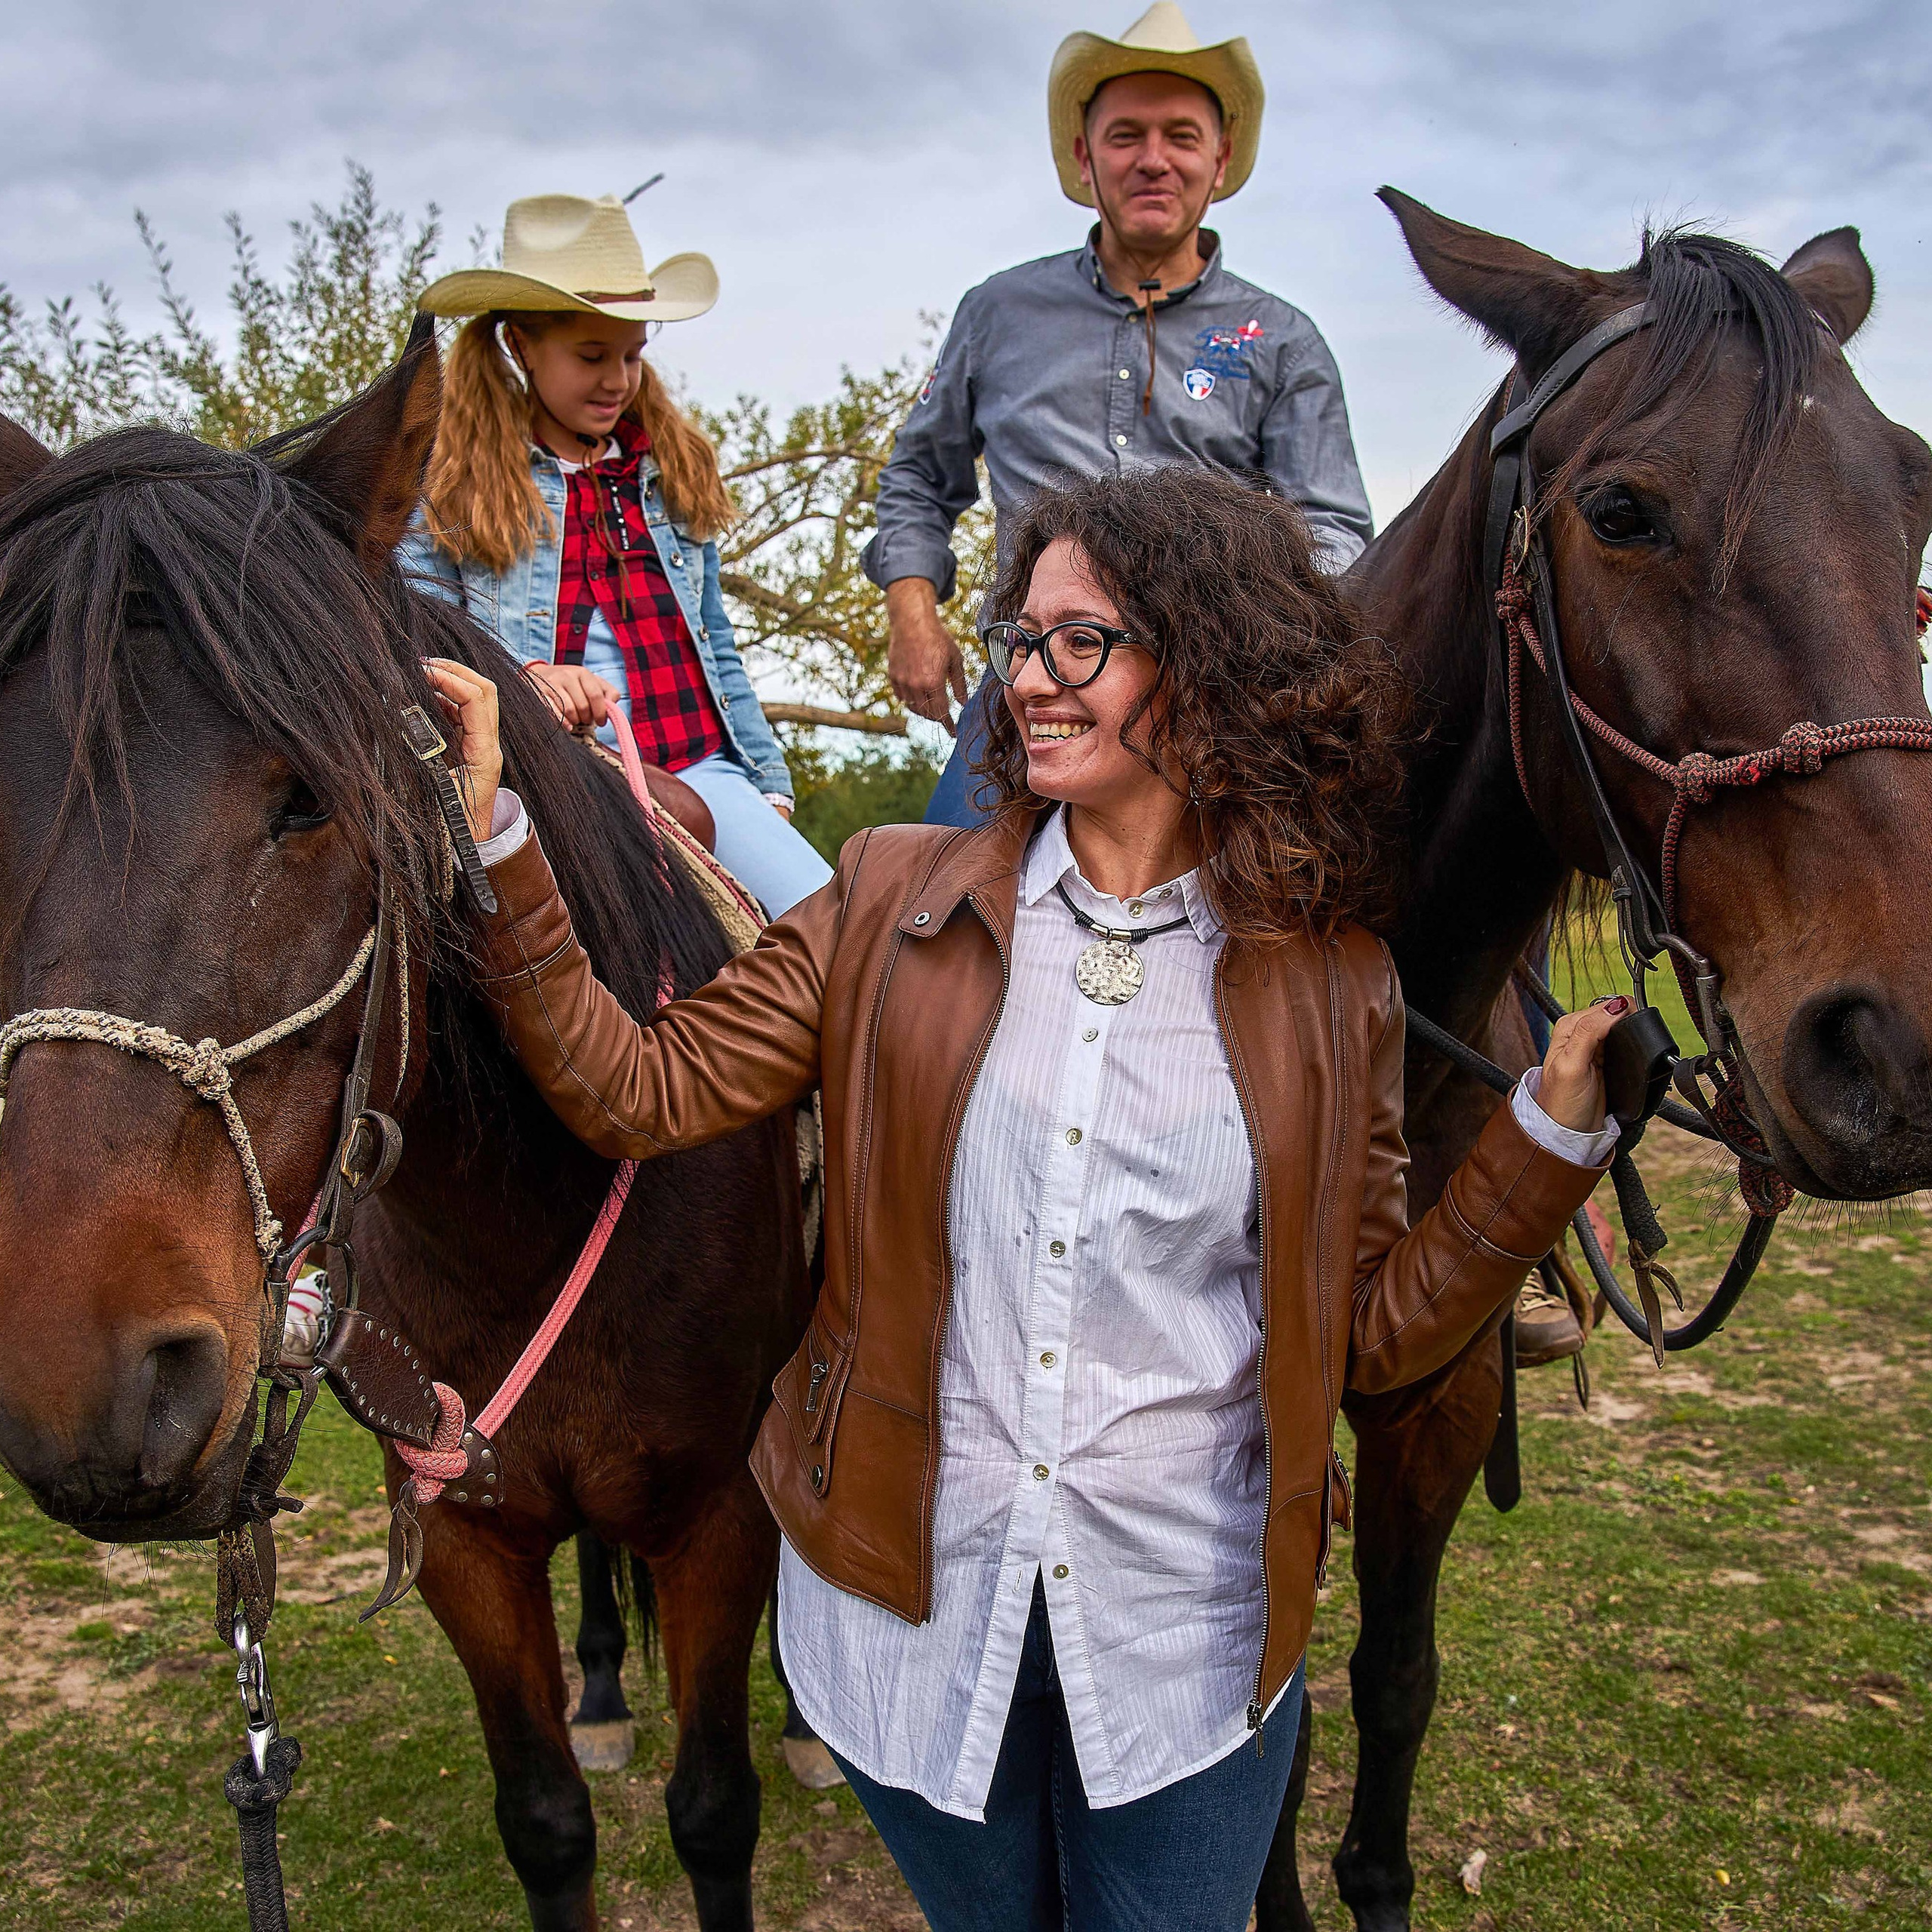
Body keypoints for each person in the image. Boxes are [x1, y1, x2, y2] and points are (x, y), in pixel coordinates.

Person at [423, 466, 1622, 1931]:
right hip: (911, 1630)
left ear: (1207, 664)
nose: (1030, 676)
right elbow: (636, 1090)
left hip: (1186, 1643)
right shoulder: (883, 898)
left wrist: (1538, 1145)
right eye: (1021, 636)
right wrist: (502, 841)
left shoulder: (1329, 981)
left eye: (1081, 640)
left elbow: (1365, 1335)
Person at [869, 2, 1374, 830]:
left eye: (1180, 135)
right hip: (1028, 690)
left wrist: (1226, 615)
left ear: (1219, 159)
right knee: (940, 907)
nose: (1153, 160)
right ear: (1083, 155)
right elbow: (919, 477)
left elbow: (1335, 532)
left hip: (1212, 694)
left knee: (1290, 910)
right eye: (1125, 135)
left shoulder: (1283, 341)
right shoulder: (996, 313)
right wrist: (912, 616)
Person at [402, 191, 832, 917]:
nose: (617, 380)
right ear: (521, 347)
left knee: (837, 928)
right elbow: (420, 630)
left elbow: (713, 636)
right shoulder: (454, 484)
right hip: (551, 774)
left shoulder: (667, 472)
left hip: (699, 762)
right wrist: (527, 675)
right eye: (592, 355)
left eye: (633, 356)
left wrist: (765, 780)